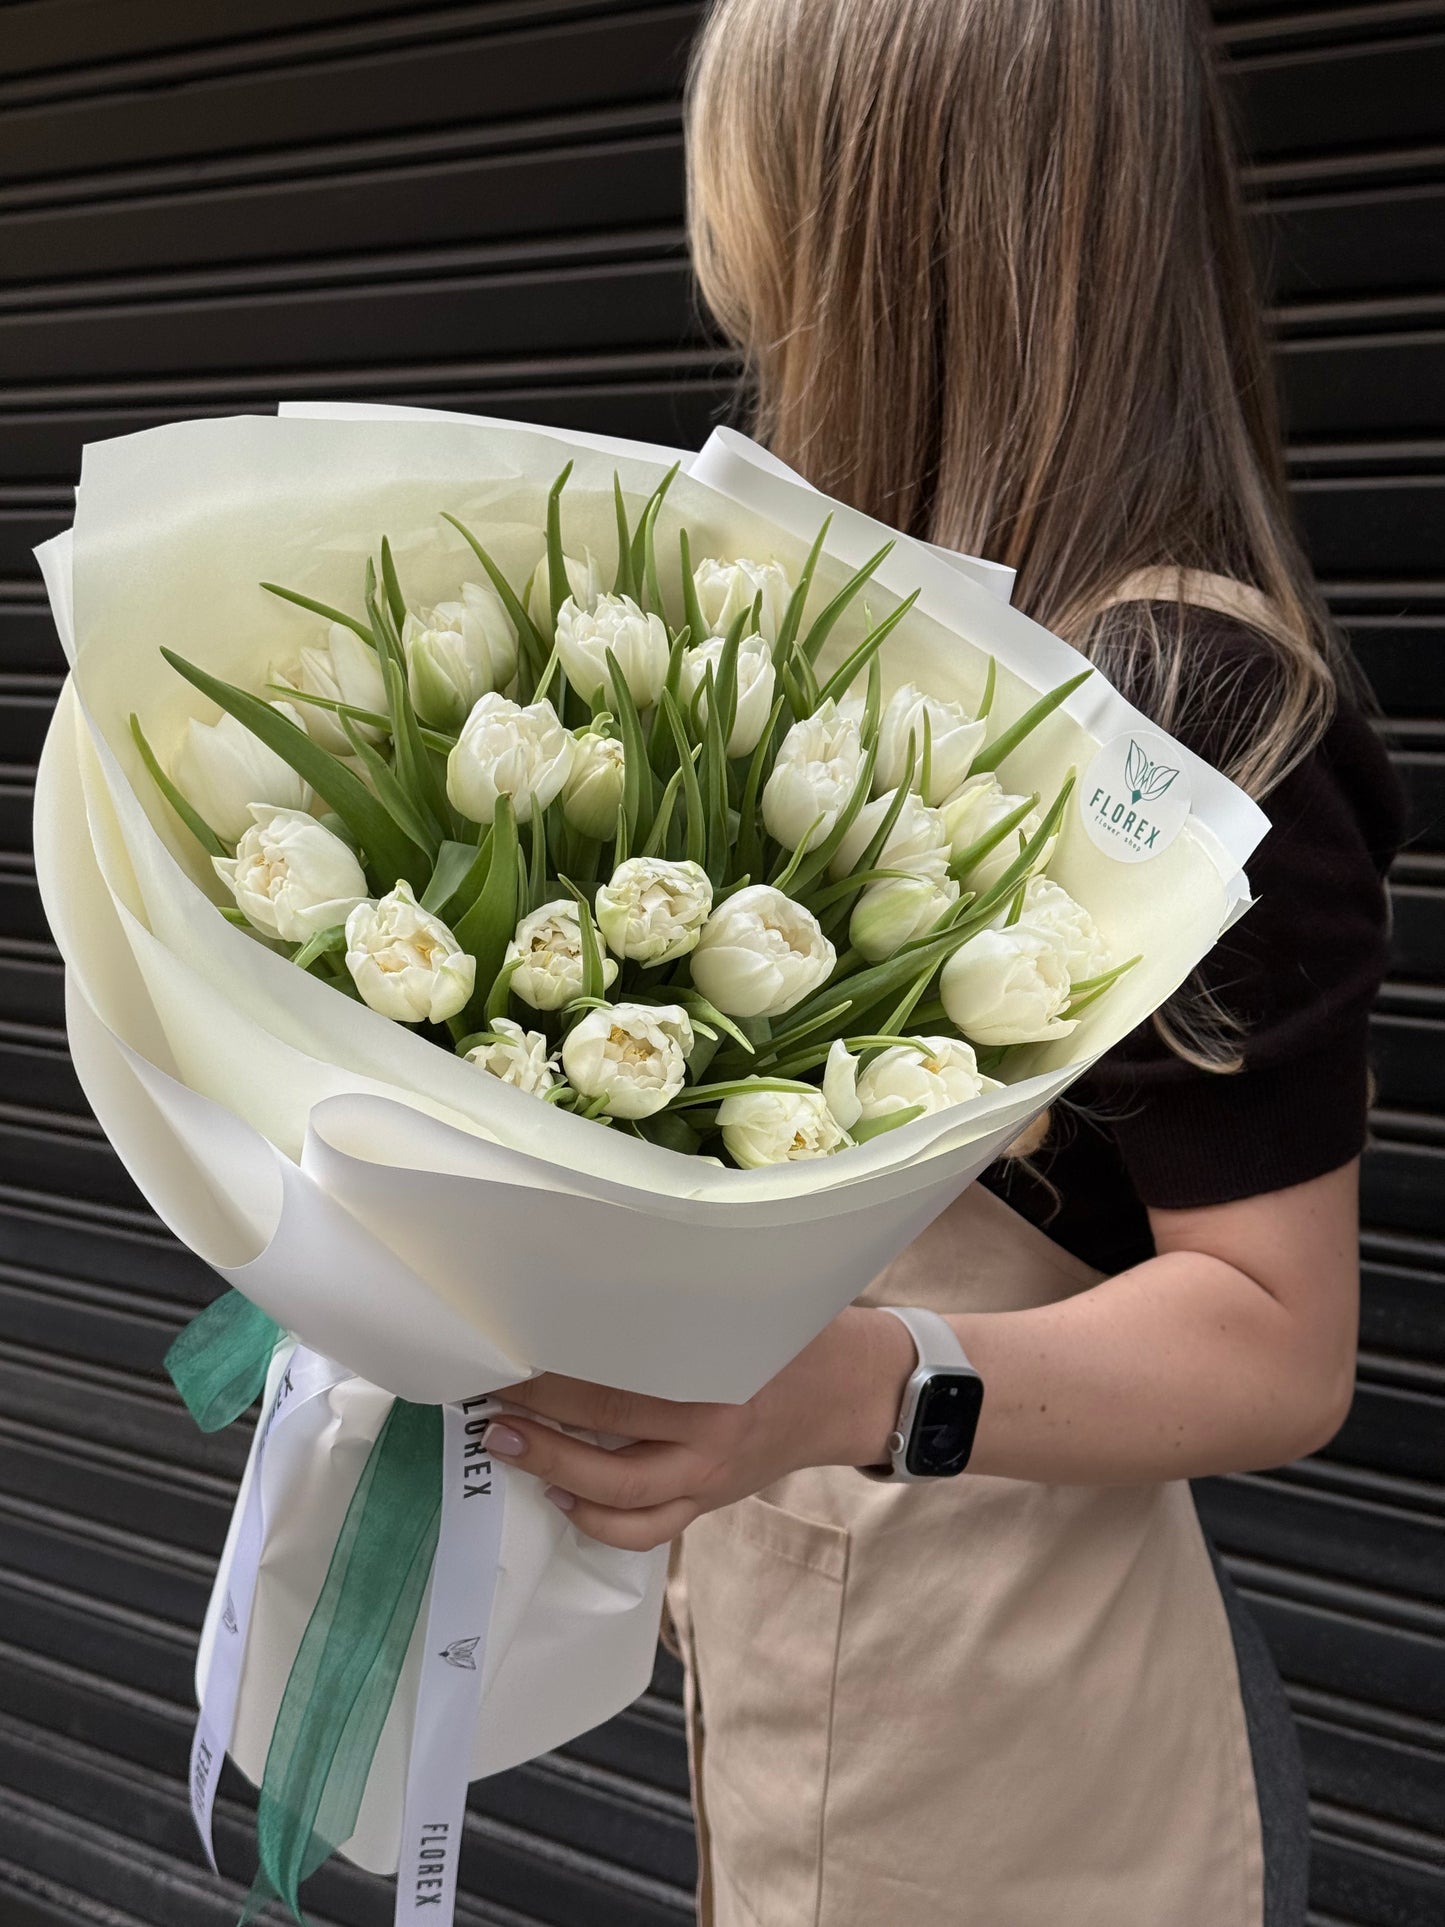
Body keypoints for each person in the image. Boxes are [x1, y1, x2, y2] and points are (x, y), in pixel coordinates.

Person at [480, 2, 1405, 1921]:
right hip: (814, 1648)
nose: (715, 223)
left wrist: (841, 1390)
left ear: (868, 203)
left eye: (745, 152)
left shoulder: (1170, 704)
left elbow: (1275, 1339)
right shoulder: (836, 625)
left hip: (1018, 1743)